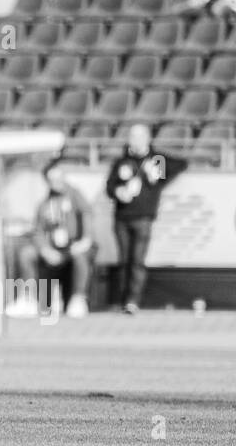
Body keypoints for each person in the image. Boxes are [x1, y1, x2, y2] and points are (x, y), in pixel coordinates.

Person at [106, 124, 188, 314]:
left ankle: (132, 300)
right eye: (132, 136)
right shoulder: (122, 162)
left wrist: (159, 177)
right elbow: (110, 186)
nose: (134, 140)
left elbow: (181, 164)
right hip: (122, 217)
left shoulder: (156, 159)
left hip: (143, 217)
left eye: (138, 137)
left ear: (147, 138)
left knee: (137, 260)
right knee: (124, 260)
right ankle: (122, 298)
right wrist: (118, 191)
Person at [11, 159, 94, 319]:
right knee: (26, 253)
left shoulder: (75, 195)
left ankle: (78, 299)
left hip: (73, 247)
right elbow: (38, 231)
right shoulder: (44, 203)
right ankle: (28, 299)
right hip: (52, 249)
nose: (56, 182)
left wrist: (85, 240)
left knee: (80, 255)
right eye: (52, 180)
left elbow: (86, 215)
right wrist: (45, 250)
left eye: (59, 178)